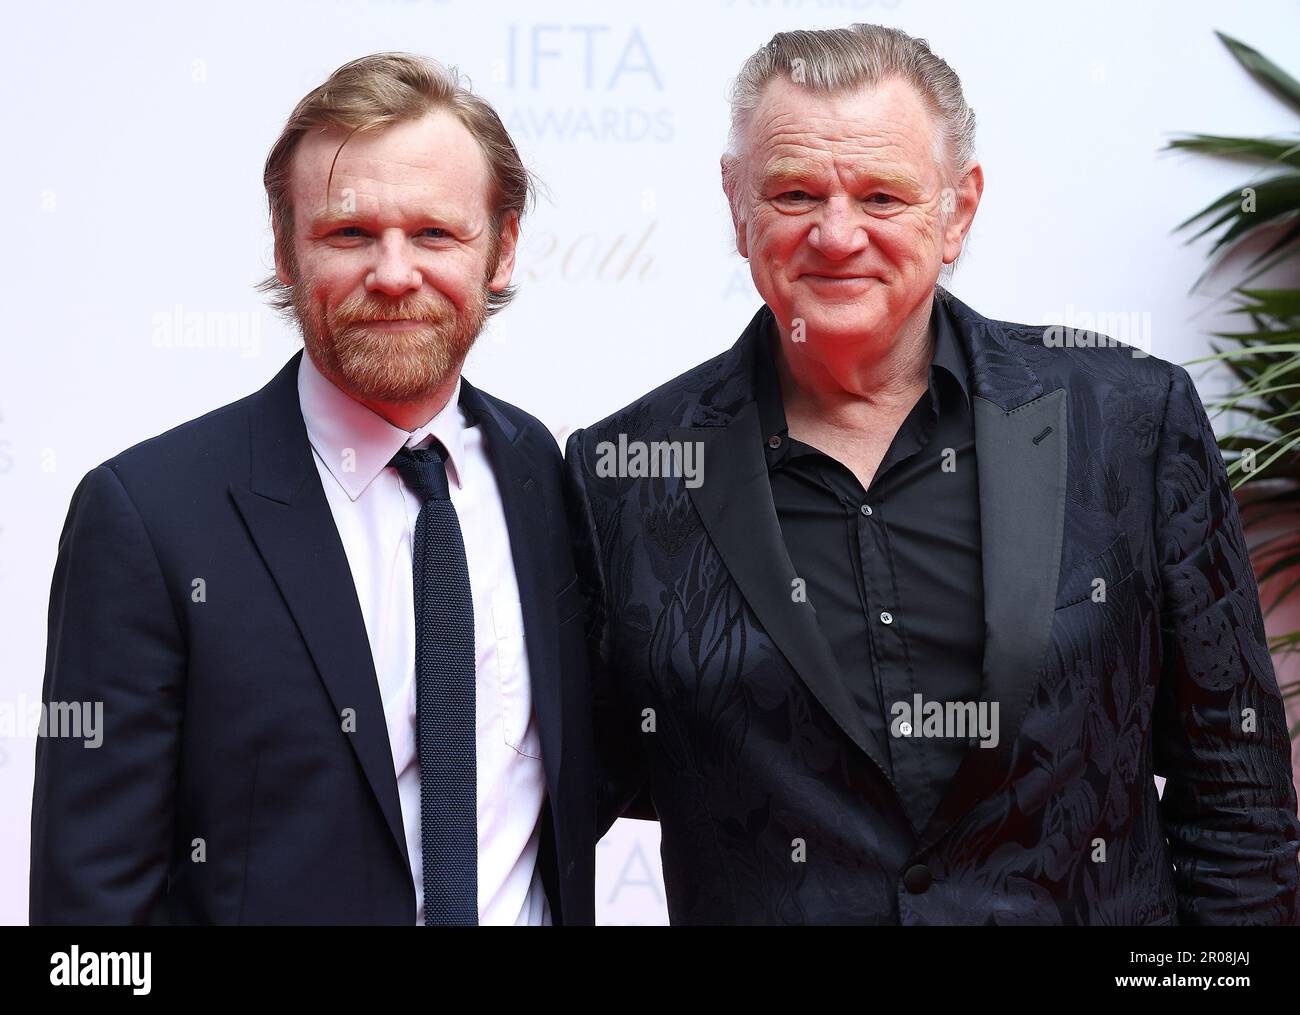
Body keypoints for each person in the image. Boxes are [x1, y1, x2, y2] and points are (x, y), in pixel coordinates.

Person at [565, 23, 1300, 925]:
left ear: (956, 211)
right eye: (795, 192)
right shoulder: (620, 475)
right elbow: (555, 808)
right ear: (736, 203)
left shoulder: (1130, 422)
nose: (838, 236)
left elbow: (1237, 801)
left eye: (882, 195)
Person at [31, 52, 593, 926]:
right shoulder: (148, 516)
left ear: (502, 247)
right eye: (349, 234)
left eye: (436, 234)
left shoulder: (546, 475)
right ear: (287, 246)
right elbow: (90, 914)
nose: (395, 273)